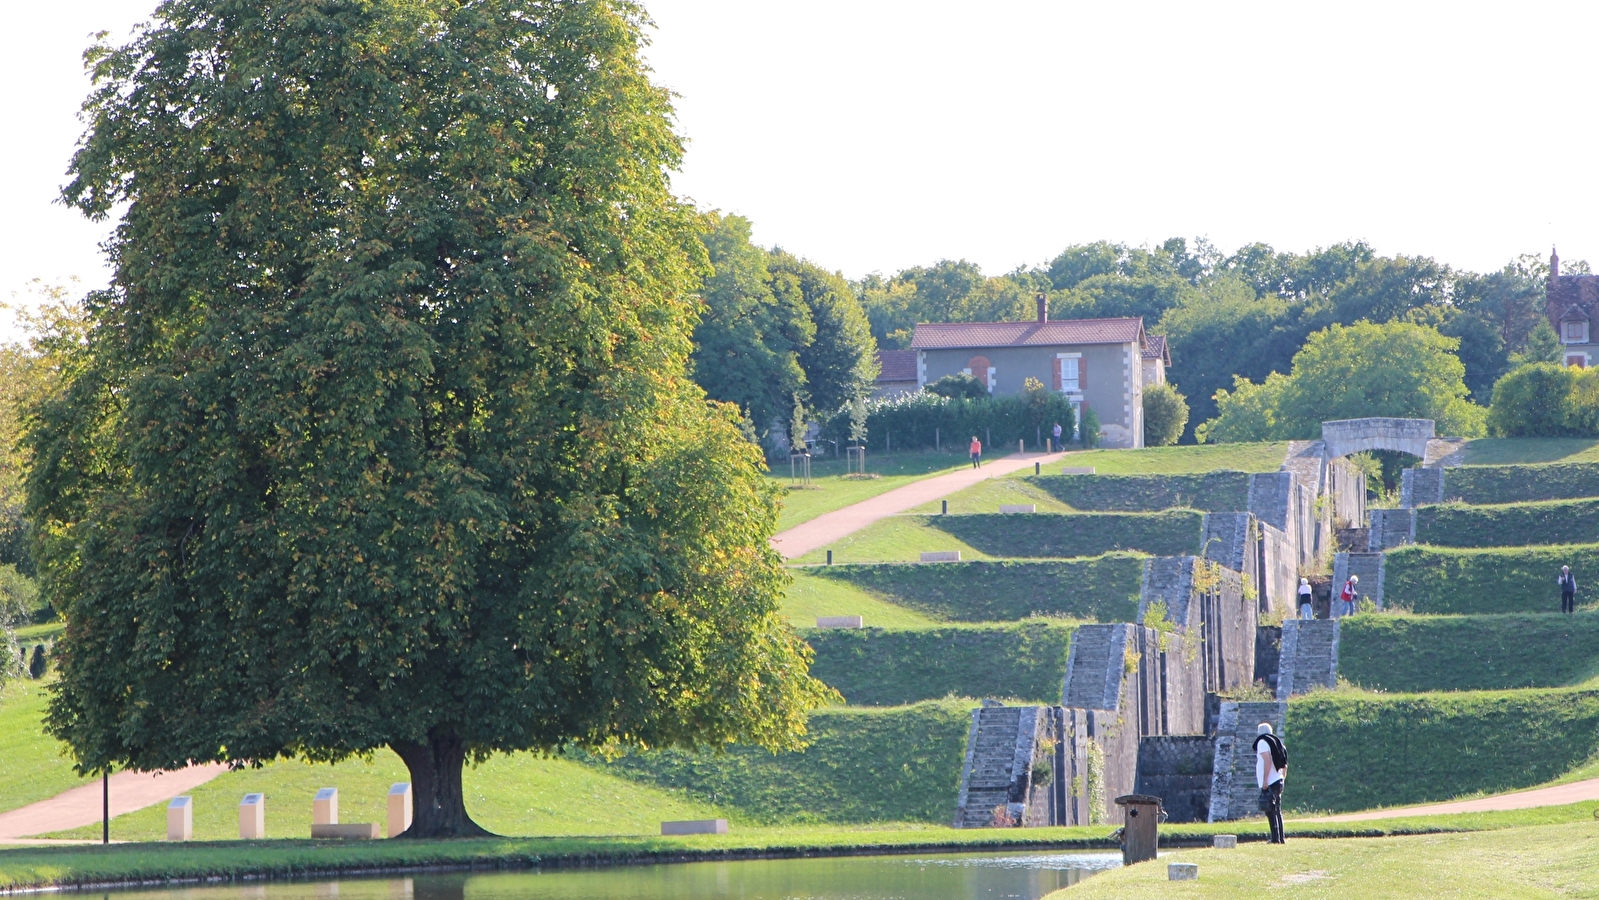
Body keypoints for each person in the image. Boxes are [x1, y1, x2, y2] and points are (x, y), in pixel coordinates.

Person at [1254, 723, 1288, 844]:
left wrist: (1265, 781)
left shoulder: (1263, 742)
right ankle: (1280, 838)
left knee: (1270, 810)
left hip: (1270, 781)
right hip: (1278, 779)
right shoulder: (1277, 742)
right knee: (1277, 810)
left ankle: (1275, 839)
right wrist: (1283, 777)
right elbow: (1285, 762)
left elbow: (1267, 761)